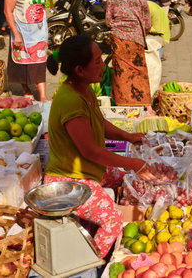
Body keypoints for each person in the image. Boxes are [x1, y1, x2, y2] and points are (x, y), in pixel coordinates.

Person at [45, 35, 156, 258]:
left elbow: (98, 122)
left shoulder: (84, 89)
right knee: (113, 221)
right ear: (79, 70)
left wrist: (128, 136)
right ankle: (87, 264)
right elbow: (90, 151)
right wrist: (133, 163)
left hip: (86, 172)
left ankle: (89, 231)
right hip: (68, 181)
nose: (103, 65)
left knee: (126, 180)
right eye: (97, 61)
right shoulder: (70, 100)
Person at [106, 0, 152, 106]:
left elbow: (108, 22)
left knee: (121, 72)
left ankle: (122, 103)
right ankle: (143, 104)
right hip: (136, 39)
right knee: (139, 72)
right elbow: (147, 23)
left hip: (118, 39)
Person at [4, 0, 48, 102]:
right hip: (22, 32)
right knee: (23, 62)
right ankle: (26, 90)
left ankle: (43, 95)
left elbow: (41, 10)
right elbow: (8, 11)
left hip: (38, 33)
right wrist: (16, 34)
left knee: (40, 63)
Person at [146, 0, 170, 97]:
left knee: (153, 67)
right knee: (154, 66)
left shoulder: (145, 8)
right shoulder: (147, 4)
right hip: (161, 33)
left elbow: (153, 28)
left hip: (160, 36)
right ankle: (152, 93)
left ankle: (152, 94)